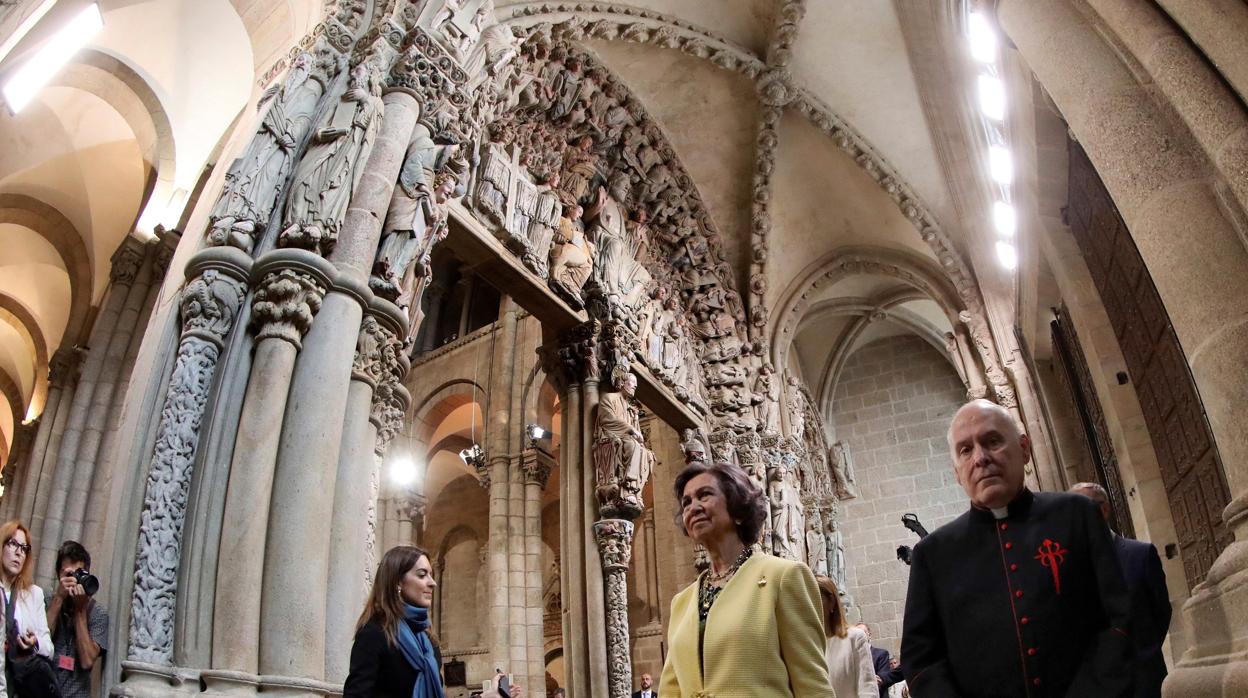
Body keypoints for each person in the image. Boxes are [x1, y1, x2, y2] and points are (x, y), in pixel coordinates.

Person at [901, 400, 1133, 696]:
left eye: (992, 441)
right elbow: (921, 659)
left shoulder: (1077, 515)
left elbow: (1120, 617)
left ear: (1024, 448)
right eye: (965, 450)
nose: (980, 458)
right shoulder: (933, 554)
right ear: (957, 472)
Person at [658, 461, 830, 697]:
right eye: (686, 502)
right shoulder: (681, 602)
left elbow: (812, 684)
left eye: (704, 495)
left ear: (738, 510)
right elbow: (671, 690)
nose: (693, 507)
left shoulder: (783, 577)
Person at [1071, 482, 1172, 698]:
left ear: (1104, 509)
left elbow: (1161, 611)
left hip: (1143, 680)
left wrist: (1144, 652)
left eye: (1082, 509)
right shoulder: (1070, 568)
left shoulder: (1141, 555)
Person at [344, 545, 443, 698]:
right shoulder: (375, 633)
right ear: (398, 582)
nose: (432, 583)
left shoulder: (429, 639)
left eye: (431, 575)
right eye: (422, 575)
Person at [45, 541, 108, 698]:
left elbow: (87, 661)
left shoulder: (98, 613)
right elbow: (37, 646)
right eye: (67, 575)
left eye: (78, 574)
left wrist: (80, 610)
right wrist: (59, 598)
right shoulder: (46, 602)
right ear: (58, 574)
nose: (73, 581)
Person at [1, 521, 53, 693]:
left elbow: (49, 648)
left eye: (24, 548)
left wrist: (34, 642)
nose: (18, 553)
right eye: (13, 544)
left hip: (19, 686)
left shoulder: (34, 594)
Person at [817, 577, 874, 698]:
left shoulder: (855, 638)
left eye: (815, 598)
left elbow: (868, 688)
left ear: (831, 601)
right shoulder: (806, 645)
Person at [855, 623, 901, 698]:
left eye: (862, 633)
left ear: (869, 635)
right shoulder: (854, 658)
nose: (859, 637)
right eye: (856, 634)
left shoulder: (881, 654)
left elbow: (881, 678)